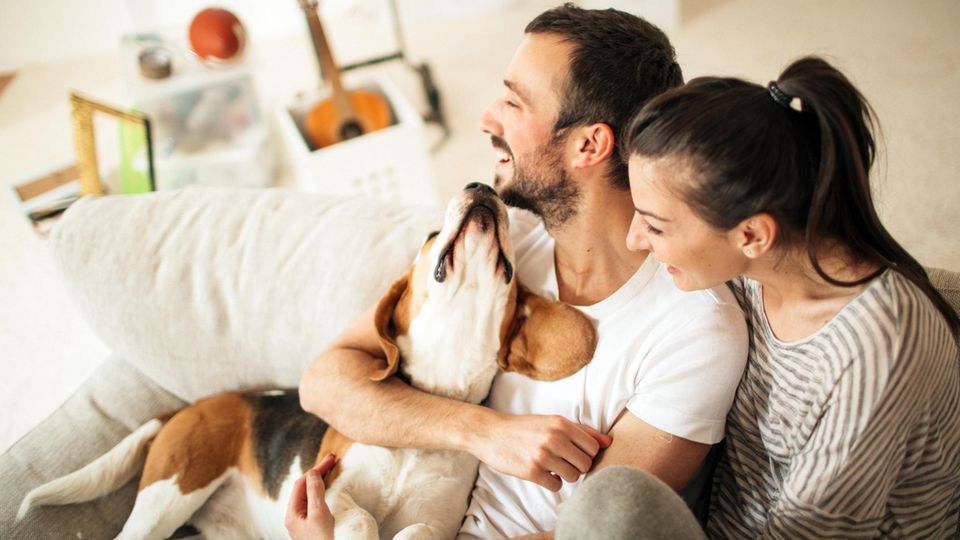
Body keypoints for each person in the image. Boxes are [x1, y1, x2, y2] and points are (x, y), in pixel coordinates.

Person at [291, 4, 749, 539]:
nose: (487, 118)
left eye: (513, 101)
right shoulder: (506, 241)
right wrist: (484, 432)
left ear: (588, 145)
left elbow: (591, 534)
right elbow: (323, 382)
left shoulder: (695, 332)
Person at [562, 55, 959, 538]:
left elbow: (810, 532)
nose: (634, 239)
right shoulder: (753, 267)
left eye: (656, 225)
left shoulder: (878, 346)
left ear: (751, 235)